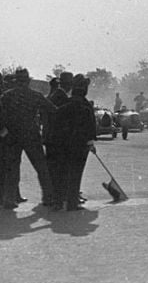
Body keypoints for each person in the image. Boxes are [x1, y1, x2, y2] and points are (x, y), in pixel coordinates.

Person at [0, 68, 57, 209]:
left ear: (15, 81)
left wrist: (3, 130)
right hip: (31, 135)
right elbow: (52, 110)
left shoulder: (6, 96)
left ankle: (9, 199)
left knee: (12, 168)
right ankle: (48, 197)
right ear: (29, 81)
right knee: (41, 167)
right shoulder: (35, 95)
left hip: (12, 136)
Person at [51, 75, 96, 211]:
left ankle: (58, 202)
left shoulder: (65, 105)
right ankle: (72, 202)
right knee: (76, 174)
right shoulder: (86, 106)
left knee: (62, 172)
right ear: (84, 89)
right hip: (80, 146)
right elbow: (91, 128)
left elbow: (56, 125)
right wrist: (91, 143)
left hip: (63, 145)